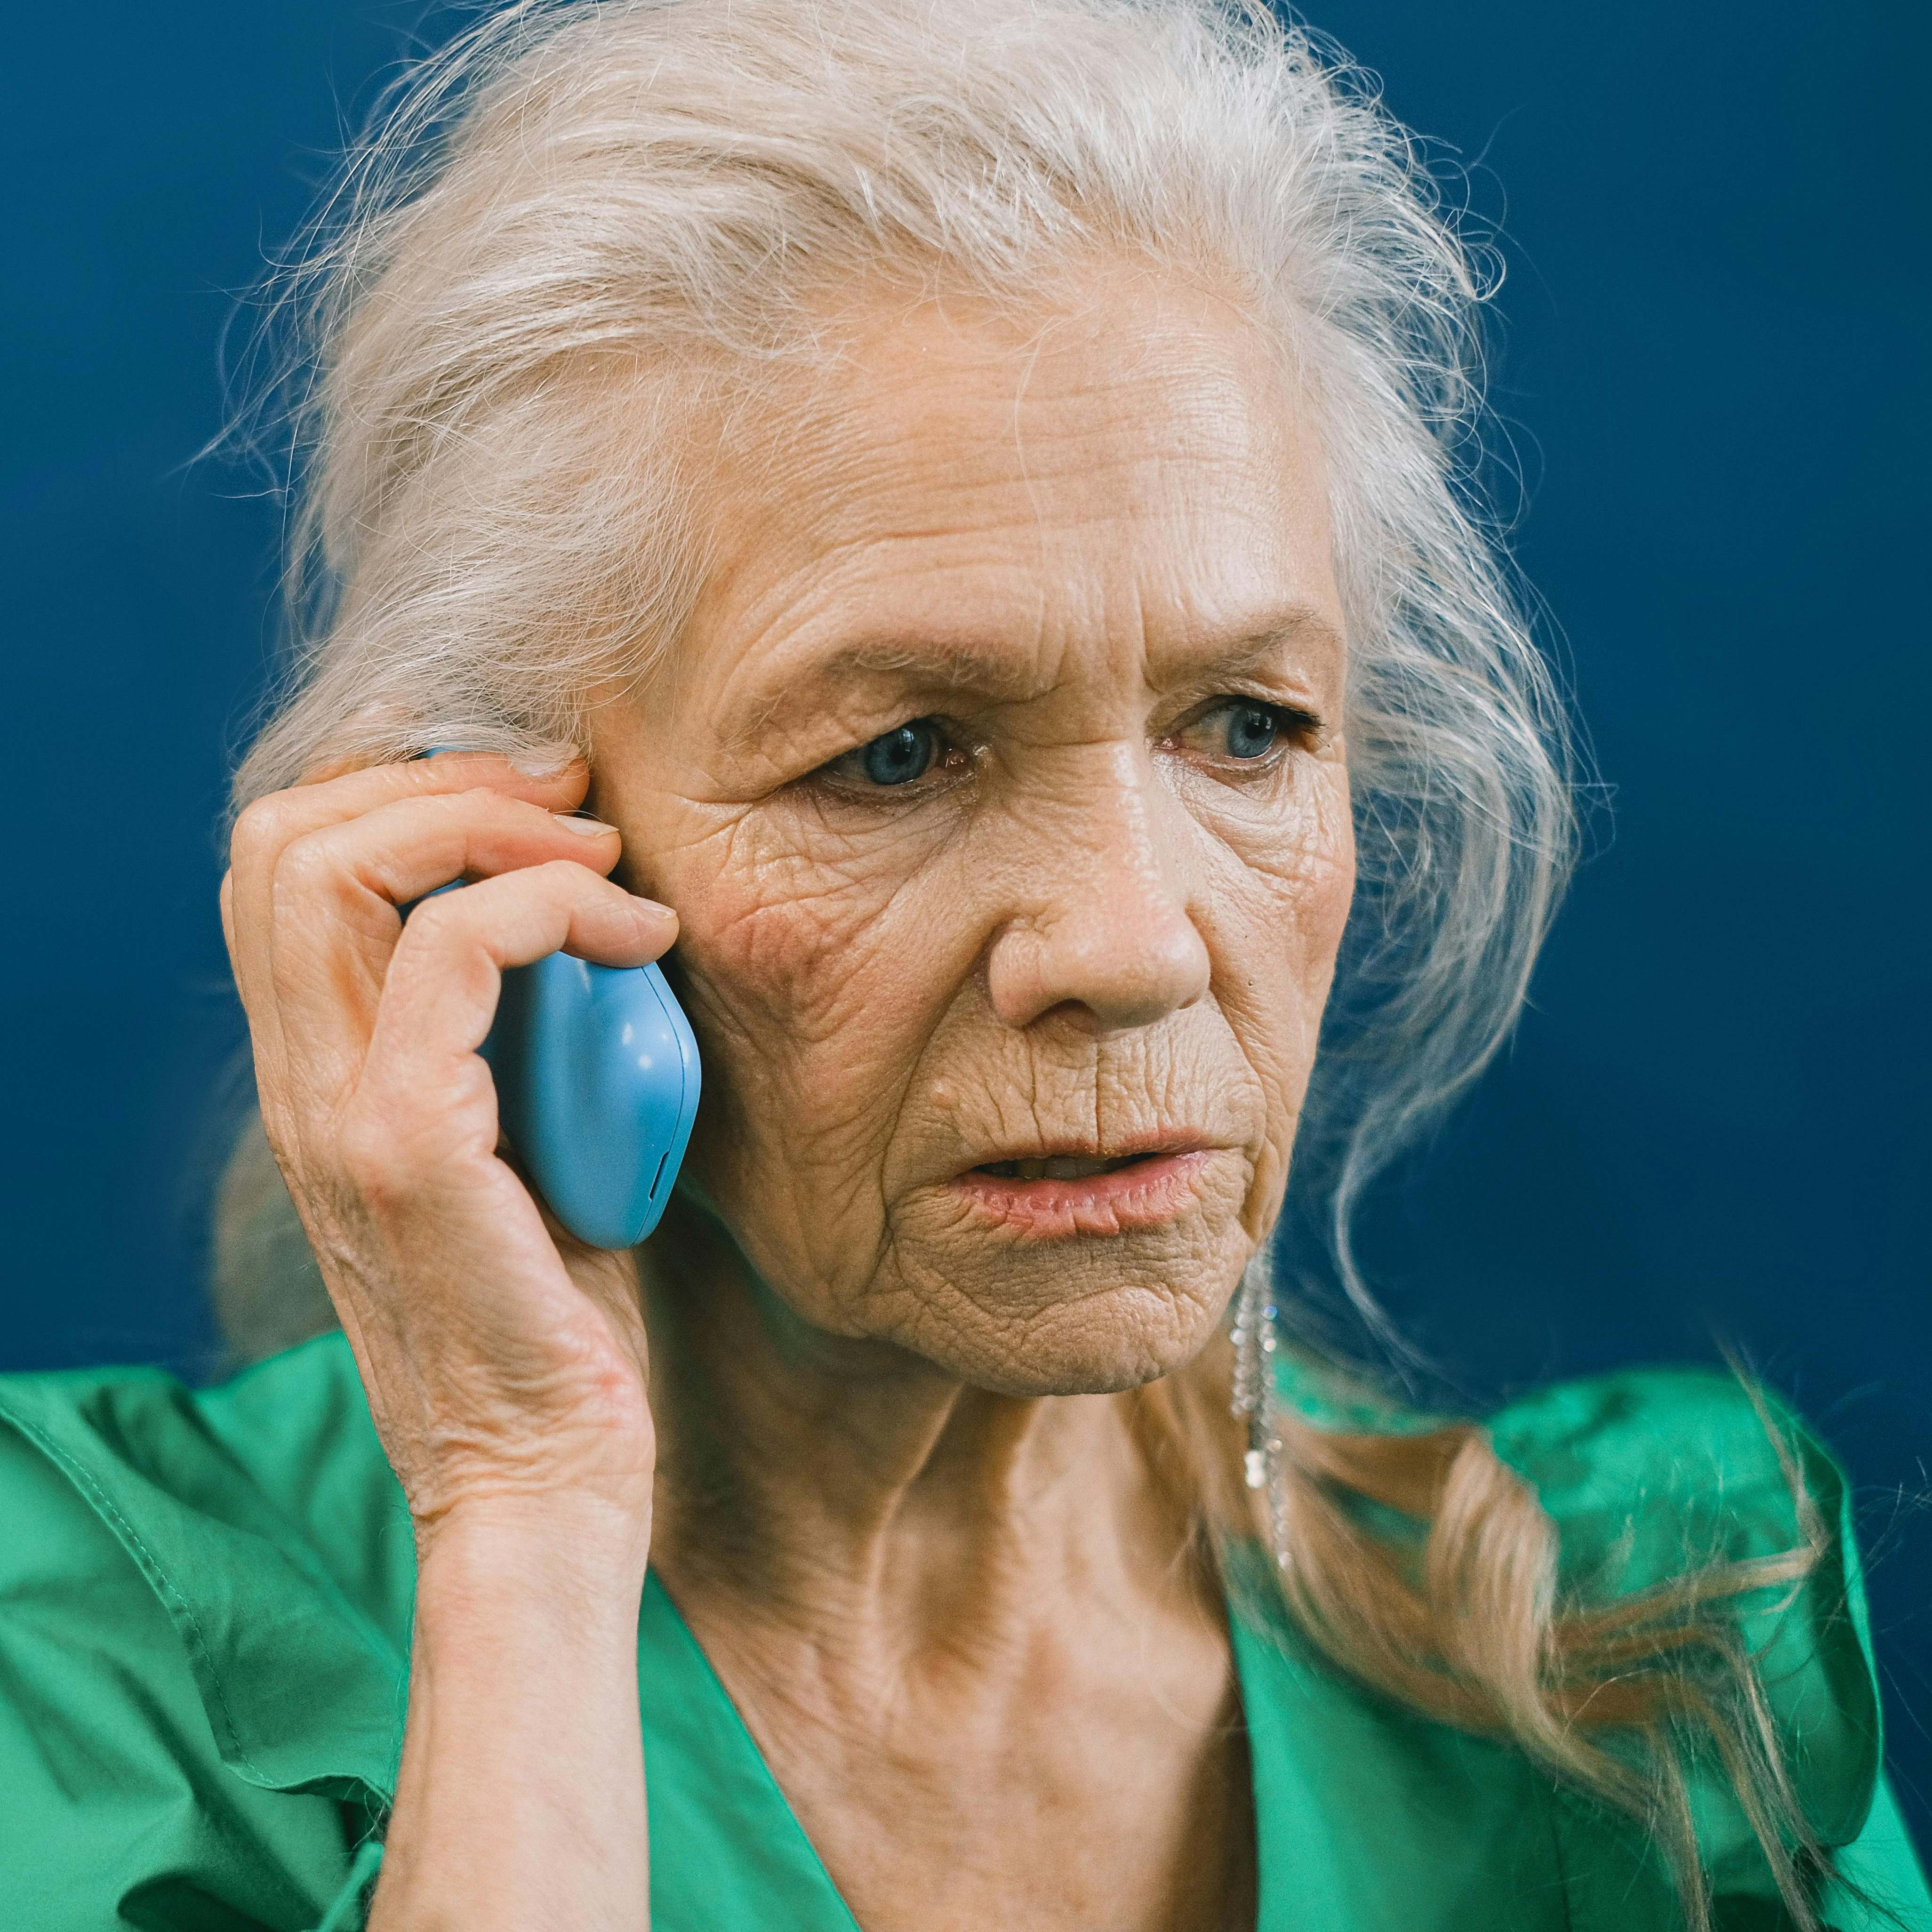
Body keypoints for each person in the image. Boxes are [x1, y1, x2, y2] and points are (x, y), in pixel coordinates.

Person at [0, 2, 1923, 1927]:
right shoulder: (96, 1649)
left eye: (1246, 725)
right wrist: (524, 1517)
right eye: (896, 754)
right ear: (497, 869)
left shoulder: (1656, 1637)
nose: (1131, 943)